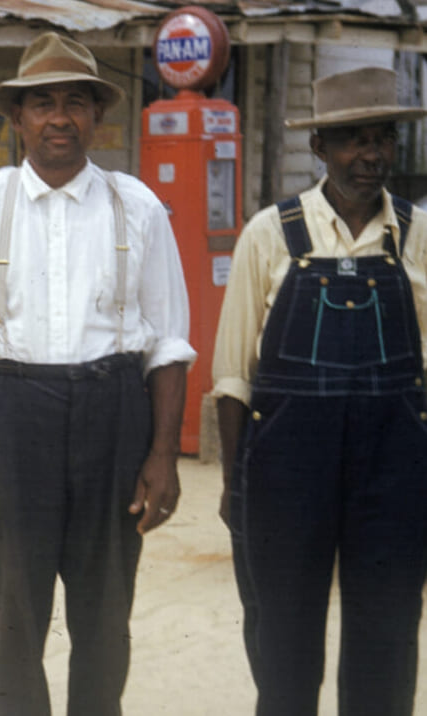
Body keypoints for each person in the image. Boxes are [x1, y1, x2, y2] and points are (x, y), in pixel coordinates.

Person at [0, 32, 195, 716]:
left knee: (105, 619)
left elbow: (166, 345)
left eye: (76, 102)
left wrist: (162, 455)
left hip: (113, 415)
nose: (60, 117)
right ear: (18, 119)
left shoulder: (139, 209)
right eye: (43, 103)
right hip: (11, 421)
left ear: (98, 116)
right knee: (17, 618)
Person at [213, 66, 427, 716]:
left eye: (381, 138)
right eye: (351, 140)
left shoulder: (417, 236)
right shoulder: (269, 234)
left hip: (394, 469)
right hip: (285, 470)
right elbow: (231, 378)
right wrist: (237, 483)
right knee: (283, 642)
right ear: (320, 149)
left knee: (387, 637)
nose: (370, 155)